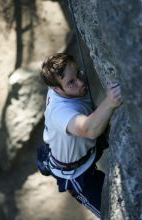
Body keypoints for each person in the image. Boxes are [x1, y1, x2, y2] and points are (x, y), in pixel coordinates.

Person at [39, 53, 122, 218]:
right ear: (56, 89)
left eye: (78, 73)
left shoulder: (59, 83)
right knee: (112, 213)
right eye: (71, 82)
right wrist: (111, 101)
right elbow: (90, 129)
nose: (80, 82)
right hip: (76, 174)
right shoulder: (59, 112)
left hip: (85, 147)